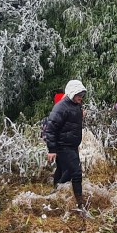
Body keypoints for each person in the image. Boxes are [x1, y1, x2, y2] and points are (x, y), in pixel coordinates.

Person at [44, 79, 88, 216]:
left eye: (82, 94)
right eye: (78, 94)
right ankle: (80, 205)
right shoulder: (60, 107)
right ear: (71, 92)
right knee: (76, 173)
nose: (80, 96)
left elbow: (72, 124)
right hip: (63, 146)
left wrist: (81, 116)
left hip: (72, 145)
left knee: (64, 171)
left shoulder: (76, 105)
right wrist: (52, 150)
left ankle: (55, 195)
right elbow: (50, 129)